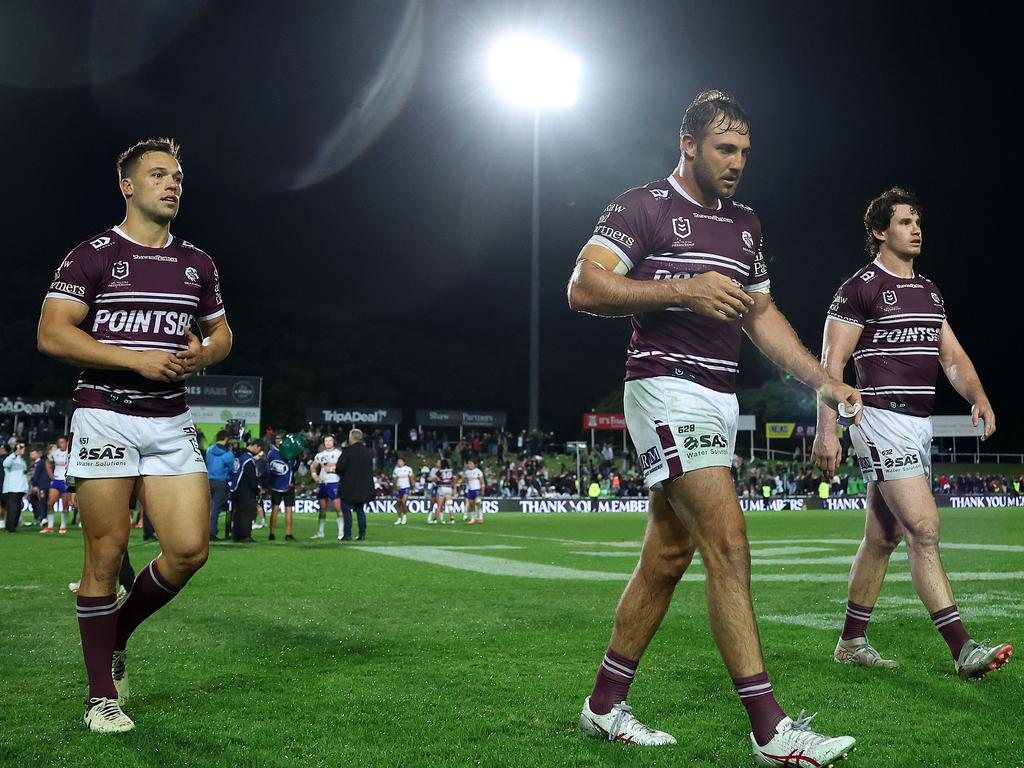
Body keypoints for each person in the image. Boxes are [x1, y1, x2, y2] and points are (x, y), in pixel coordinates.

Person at [566, 90, 860, 765]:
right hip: (664, 386)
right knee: (727, 541)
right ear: (689, 143)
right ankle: (772, 732)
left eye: (746, 153)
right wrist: (681, 288)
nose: (737, 163)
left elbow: (762, 317)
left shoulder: (747, 225)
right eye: (726, 149)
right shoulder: (641, 206)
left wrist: (824, 380)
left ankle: (604, 706)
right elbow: (584, 287)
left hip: (719, 399)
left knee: (669, 557)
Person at [37, 137, 232, 733]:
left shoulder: (197, 263)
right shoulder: (91, 255)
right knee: (104, 552)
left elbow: (221, 336)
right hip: (105, 411)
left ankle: (114, 633)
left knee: (189, 551)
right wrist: (135, 360)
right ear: (128, 185)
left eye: (177, 176)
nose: (173, 184)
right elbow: (52, 334)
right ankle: (102, 698)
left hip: (171, 420)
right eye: (158, 174)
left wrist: (202, 356)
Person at [811, 187, 1012, 679]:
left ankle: (851, 642)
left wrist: (978, 397)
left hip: (917, 425)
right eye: (904, 221)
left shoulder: (930, 292)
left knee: (882, 537)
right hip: (878, 417)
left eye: (918, 220)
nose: (916, 228)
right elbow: (831, 364)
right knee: (924, 529)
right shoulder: (860, 287)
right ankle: (963, 649)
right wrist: (827, 431)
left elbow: (952, 357)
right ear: (880, 231)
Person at [336, 429, 374, 541]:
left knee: (346, 511)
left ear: (351, 438)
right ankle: (362, 534)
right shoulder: (367, 452)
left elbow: (340, 468)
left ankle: (347, 535)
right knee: (360, 510)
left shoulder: (348, 452)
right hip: (362, 487)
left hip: (348, 486)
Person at [266, 433, 298, 541]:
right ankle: (273, 533)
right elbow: (294, 466)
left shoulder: (272, 453)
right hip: (281, 484)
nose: (278, 441)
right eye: (277, 439)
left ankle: (286, 533)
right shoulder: (288, 453)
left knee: (288, 509)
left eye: (280, 439)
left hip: (283, 484)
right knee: (276, 509)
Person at [228, 439, 261, 543]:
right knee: (246, 513)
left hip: (235, 489)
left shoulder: (238, 456)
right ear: (255, 446)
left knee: (237, 513)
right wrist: (256, 489)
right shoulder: (248, 460)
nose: (259, 451)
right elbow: (251, 477)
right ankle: (245, 535)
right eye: (259, 448)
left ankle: (236, 534)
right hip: (245, 491)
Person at [310, 435, 342, 539]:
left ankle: (341, 533)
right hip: (323, 483)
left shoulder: (338, 454)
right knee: (322, 509)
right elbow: (313, 466)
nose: (328, 442)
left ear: (333, 442)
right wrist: (315, 475)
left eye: (330, 440)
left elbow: (341, 467)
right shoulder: (320, 455)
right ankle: (320, 532)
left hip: (334, 482)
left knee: (338, 508)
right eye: (326, 441)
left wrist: (332, 468)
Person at [205, 430, 234, 541]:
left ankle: (206, 531)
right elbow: (232, 468)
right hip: (221, 482)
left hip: (209, 480)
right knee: (216, 508)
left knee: (209, 508)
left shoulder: (209, 450)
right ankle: (212, 532)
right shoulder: (228, 454)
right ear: (226, 439)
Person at [46, 436, 75, 533]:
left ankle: (63, 526)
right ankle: (50, 526)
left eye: (62, 442)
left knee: (65, 504)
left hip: (65, 481)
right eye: (59, 442)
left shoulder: (71, 453)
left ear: (67, 442)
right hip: (56, 480)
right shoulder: (55, 452)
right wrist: (50, 474)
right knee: (50, 503)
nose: (60, 444)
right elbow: (47, 462)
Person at [3, 442, 29, 532]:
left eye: (23, 447)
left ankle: (13, 525)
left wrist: (26, 488)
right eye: (21, 447)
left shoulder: (22, 460)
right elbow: (5, 464)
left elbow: (23, 475)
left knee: (17, 508)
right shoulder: (11, 458)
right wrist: (15, 453)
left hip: (20, 489)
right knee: (12, 509)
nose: (23, 449)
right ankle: (9, 528)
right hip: (12, 488)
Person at [460, 459, 485, 524]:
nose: (469, 465)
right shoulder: (466, 472)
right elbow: (463, 480)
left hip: (477, 489)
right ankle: (473, 518)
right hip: (470, 490)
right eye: (468, 464)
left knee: (478, 502)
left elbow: (482, 481)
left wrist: (482, 490)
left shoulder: (478, 471)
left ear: (474, 464)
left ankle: (481, 518)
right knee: (471, 505)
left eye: (471, 464)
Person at [392, 456, 414, 525]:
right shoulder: (396, 470)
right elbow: (394, 480)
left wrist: (413, 486)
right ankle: (399, 518)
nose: (399, 462)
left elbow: (411, 478)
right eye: (398, 461)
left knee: (403, 502)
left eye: (400, 461)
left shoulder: (408, 469)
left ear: (404, 462)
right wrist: (395, 488)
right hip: (399, 488)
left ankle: (404, 516)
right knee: (398, 503)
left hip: (406, 487)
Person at [433, 459, 455, 524]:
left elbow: (437, 480)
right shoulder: (451, 471)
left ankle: (435, 519)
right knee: (449, 504)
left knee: (439, 505)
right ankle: (452, 518)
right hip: (449, 488)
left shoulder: (439, 471)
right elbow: (453, 480)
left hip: (442, 488)